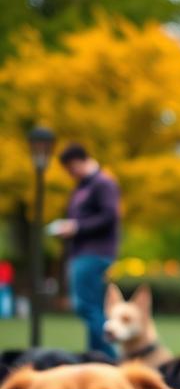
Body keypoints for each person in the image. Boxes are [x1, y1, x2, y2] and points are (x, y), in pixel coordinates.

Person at [50, 143, 119, 357]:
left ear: (80, 161)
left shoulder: (103, 183)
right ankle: (96, 357)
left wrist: (76, 227)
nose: (70, 174)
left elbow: (110, 216)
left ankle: (110, 356)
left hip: (94, 253)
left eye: (71, 169)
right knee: (93, 308)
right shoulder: (82, 186)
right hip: (82, 252)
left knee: (85, 306)